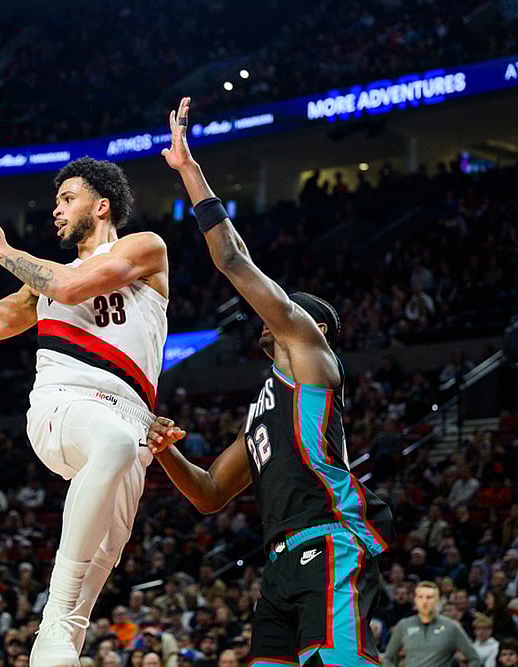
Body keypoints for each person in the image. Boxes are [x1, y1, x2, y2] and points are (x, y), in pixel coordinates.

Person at [147, 97, 395, 666]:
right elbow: (210, 493)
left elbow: (233, 260)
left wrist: (190, 171)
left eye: (284, 309)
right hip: (279, 563)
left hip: (329, 537)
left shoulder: (311, 358)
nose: (267, 313)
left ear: (312, 326)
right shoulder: (264, 408)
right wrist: (165, 452)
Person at [0, 156, 170, 666]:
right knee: (112, 444)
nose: (56, 210)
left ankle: (55, 642)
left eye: (68, 198)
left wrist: (3, 250)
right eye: (55, 201)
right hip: (64, 404)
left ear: (102, 205)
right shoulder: (41, 287)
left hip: (134, 423)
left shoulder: (145, 249)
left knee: (104, 557)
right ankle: (55, 618)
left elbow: (72, 286)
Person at [383, 582, 481, 667]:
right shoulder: (404, 625)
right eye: (420, 597)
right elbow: (388, 658)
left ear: (437, 600)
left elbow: (475, 658)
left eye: (429, 597)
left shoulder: (451, 627)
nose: (425, 601)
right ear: (415, 600)